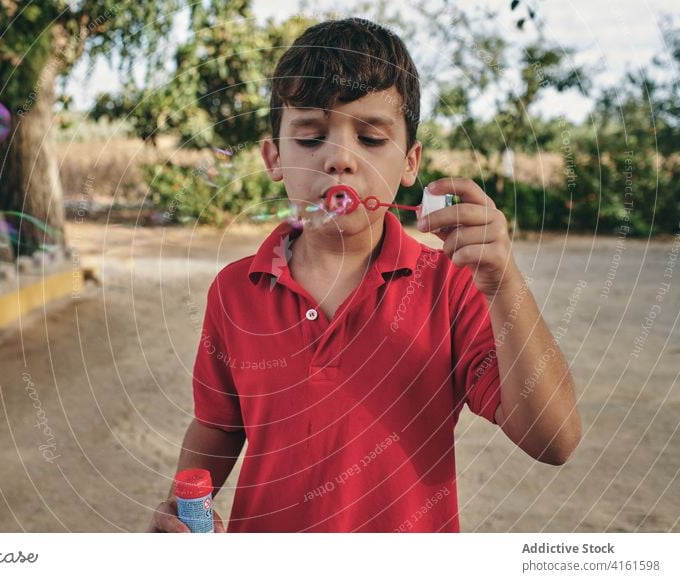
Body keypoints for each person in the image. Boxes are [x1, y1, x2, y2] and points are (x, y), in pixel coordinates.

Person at [148, 17, 581, 533]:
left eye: (371, 138)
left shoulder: (450, 287)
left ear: (410, 163)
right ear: (273, 158)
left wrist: (504, 283)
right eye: (310, 137)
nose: (339, 160)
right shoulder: (235, 290)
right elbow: (219, 425)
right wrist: (183, 505)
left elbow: (554, 439)